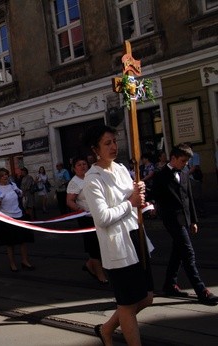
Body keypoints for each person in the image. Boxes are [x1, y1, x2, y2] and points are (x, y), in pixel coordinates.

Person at [83, 125, 153, 346]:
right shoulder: (92, 178)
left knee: (146, 297)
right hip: (118, 245)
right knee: (127, 304)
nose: (114, 146)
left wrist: (137, 192)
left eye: (114, 141)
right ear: (96, 149)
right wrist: (129, 202)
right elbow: (102, 218)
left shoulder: (121, 168)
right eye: (107, 143)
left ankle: (106, 328)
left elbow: (131, 199)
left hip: (136, 235)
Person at [152, 144, 218, 306]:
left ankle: (169, 284)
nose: (185, 164)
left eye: (187, 162)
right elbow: (154, 196)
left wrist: (193, 220)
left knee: (178, 251)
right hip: (172, 220)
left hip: (185, 219)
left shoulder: (184, 172)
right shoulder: (161, 175)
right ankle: (201, 291)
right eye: (182, 161)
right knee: (188, 254)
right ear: (173, 158)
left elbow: (189, 198)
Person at [66, 157, 108, 284]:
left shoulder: (91, 176)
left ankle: (90, 265)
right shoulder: (75, 182)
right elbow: (69, 201)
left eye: (84, 164)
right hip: (87, 219)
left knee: (103, 243)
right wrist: (81, 210)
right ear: (74, 168)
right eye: (79, 164)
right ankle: (100, 275)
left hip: (99, 215)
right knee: (94, 246)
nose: (82, 166)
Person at [0, 168, 35, 273]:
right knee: (10, 243)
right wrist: (0, 200)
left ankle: (25, 261)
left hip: (19, 215)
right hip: (7, 218)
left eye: (6, 174)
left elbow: (21, 196)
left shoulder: (12, 185)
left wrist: (18, 191)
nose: (5, 177)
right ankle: (12, 264)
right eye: (3, 175)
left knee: (23, 241)